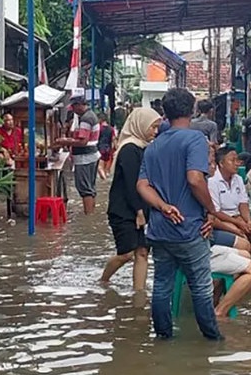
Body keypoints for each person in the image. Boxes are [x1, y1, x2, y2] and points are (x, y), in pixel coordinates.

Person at [136, 88, 224, 341]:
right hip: (189, 227)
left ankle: (163, 337)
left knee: (162, 285)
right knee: (201, 286)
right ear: (192, 110)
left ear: (165, 112)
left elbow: (142, 185)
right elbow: (195, 179)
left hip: (160, 229)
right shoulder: (195, 139)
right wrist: (211, 210)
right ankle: (212, 340)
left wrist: (162, 206)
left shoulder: (153, 147)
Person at [100, 108, 161, 289]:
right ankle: (103, 280)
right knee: (126, 253)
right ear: (141, 125)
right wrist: (139, 211)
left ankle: (139, 294)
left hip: (141, 209)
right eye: (153, 128)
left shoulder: (144, 149)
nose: (155, 132)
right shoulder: (129, 150)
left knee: (142, 252)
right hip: (124, 210)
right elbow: (130, 183)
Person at [209, 145, 251, 256]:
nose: (237, 163)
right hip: (223, 219)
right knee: (243, 239)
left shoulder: (238, 179)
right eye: (232, 160)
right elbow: (216, 212)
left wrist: (248, 221)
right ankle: (243, 263)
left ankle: (248, 260)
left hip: (238, 216)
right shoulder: (212, 181)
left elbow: (243, 204)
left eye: (237, 160)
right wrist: (238, 223)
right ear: (221, 164)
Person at [53, 95, 101, 215]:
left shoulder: (85, 118)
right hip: (92, 156)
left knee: (85, 189)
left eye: (73, 107)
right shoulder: (90, 116)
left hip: (85, 158)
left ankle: (88, 217)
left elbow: (82, 141)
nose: (72, 110)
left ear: (79, 105)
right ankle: (91, 215)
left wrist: (64, 141)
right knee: (90, 188)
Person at [97, 113, 116, 180]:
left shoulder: (99, 128)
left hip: (100, 149)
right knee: (106, 169)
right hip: (108, 149)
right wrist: (115, 149)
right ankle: (105, 178)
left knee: (99, 167)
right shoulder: (111, 129)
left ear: (100, 119)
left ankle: (104, 181)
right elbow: (114, 140)